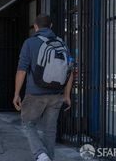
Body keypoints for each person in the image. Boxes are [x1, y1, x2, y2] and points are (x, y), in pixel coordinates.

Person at [13, 14, 74, 161]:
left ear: (35, 26)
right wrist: (67, 95)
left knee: (28, 124)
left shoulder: (29, 43)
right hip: (57, 95)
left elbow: (21, 70)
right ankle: (48, 158)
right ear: (51, 26)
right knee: (50, 130)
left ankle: (40, 154)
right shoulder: (62, 43)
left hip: (35, 94)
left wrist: (16, 94)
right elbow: (70, 70)